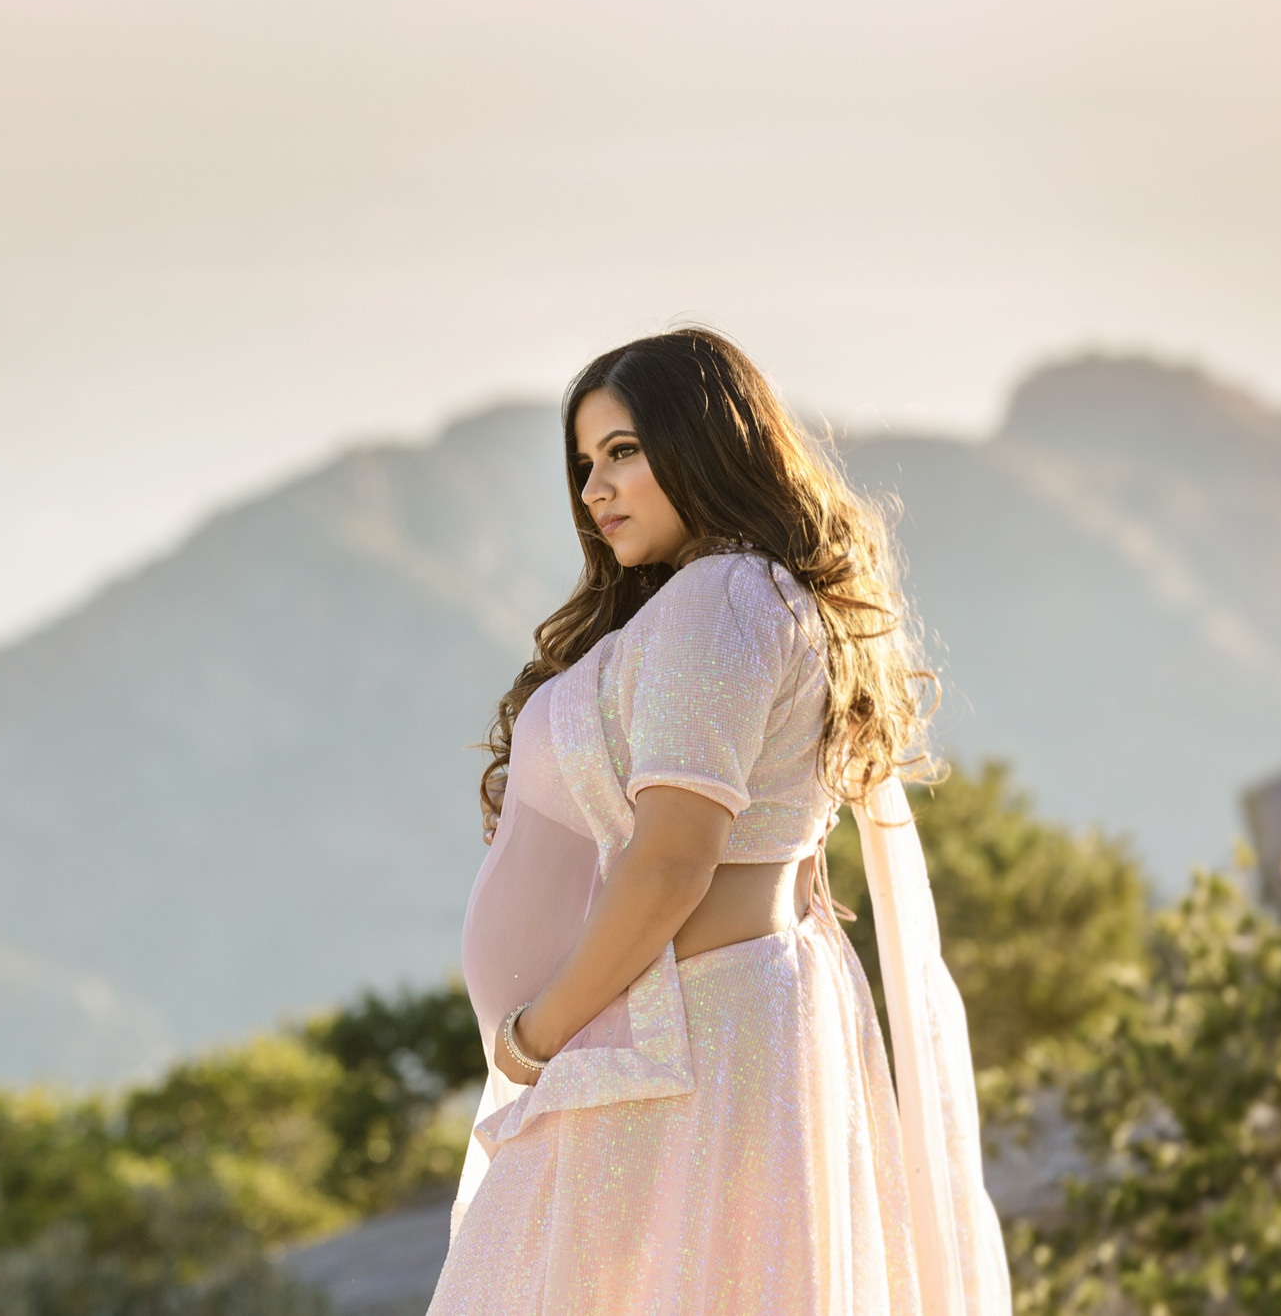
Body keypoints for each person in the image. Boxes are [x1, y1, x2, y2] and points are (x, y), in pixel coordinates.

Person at [425, 329, 1009, 1316]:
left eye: (623, 451)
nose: (593, 489)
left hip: (679, 1044)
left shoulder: (721, 597)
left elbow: (670, 863)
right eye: (581, 463)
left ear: (702, 444)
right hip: (698, 1033)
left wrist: (535, 1043)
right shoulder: (733, 597)